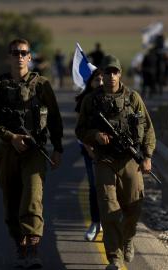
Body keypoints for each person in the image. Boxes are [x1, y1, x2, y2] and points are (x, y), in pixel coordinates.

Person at [0, 38, 63, 268]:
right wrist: (11, 137)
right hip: (8, 151)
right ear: (9, 57)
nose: (19, 56)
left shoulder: (41, 84)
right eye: (14, 52)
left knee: (33, 198)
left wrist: (58, 148)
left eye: (23, 52)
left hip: (35, 151)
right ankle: (20, 245)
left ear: (29, 57)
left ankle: (33, 250)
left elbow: (55, 118)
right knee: (12, 202)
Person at [75, 54, 156, 270]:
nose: (111, 76)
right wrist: (95, 136)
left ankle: (128, 239)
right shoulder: (91, 101)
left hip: (130, 160)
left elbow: (148, 129)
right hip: (104, 160)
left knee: (133, 207)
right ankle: (114, 258)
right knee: (109, 209)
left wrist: (147, 157)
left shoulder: (133, 98)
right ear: (101, 74)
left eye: (115, 72)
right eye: (107, 72)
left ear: (120, 74)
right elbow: (80, 130)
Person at [75, 69, 104, 241]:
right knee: (94, 186)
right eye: (96, 79)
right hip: (90, 151)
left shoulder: (111, 98)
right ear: (90, 82)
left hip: (110, 151)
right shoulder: (83, 101)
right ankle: (95, 222)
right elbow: (80, 129)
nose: (100, 83)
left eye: (102, 79)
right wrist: (89, 149)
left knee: (109, 188)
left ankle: (109, 224)